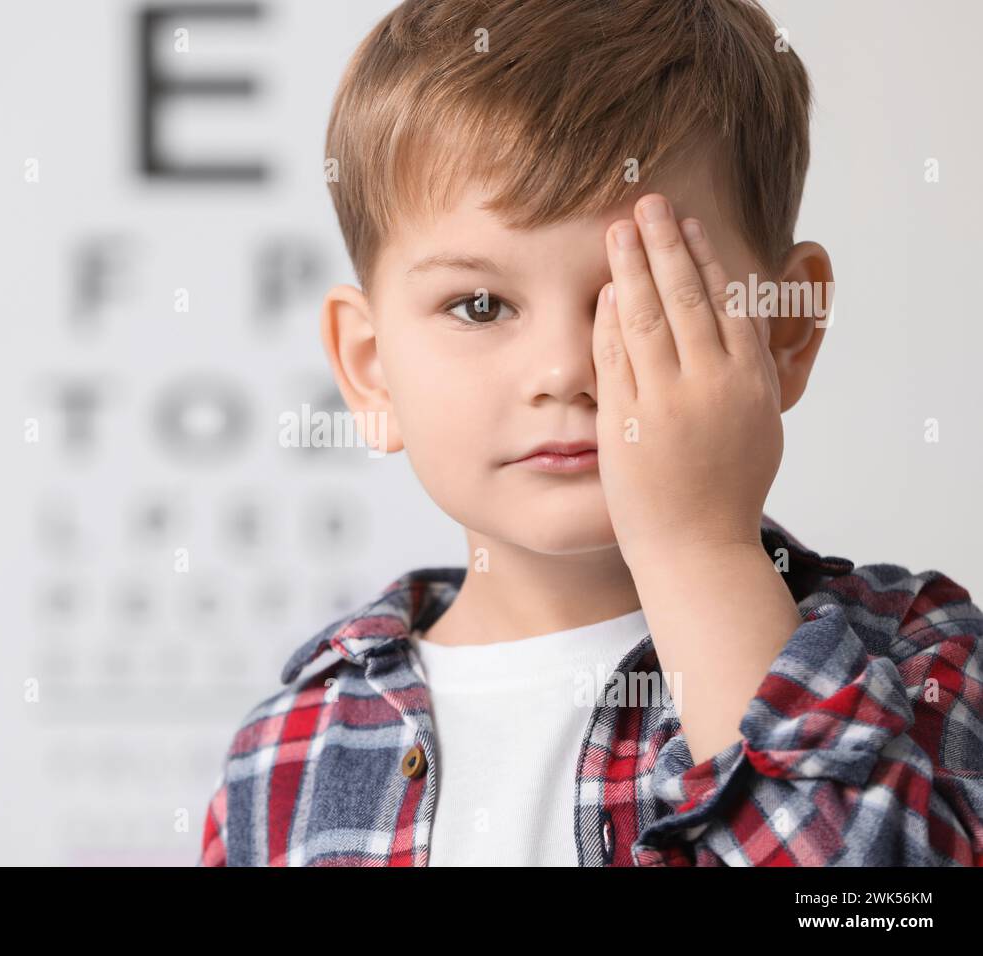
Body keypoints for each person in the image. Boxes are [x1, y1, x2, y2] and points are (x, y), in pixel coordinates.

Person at [198, 0, 983, 866]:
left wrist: (700, 550)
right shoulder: (284, 753)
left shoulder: (921, 660)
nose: (567, 371)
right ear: (371, 367)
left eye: (638, 297)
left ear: (784, 329)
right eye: (480, 305)